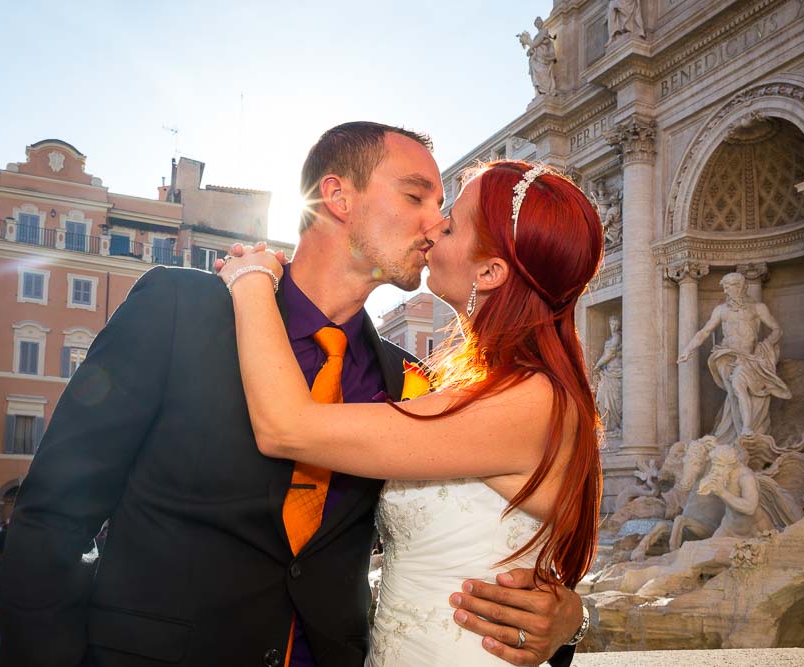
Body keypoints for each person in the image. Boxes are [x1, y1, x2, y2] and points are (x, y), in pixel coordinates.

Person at [0, 122, 583, 667]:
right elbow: (51, 520)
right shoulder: (180, 310)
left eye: (445, 210)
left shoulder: (413, 383)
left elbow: (500, 536)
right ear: (338, 197)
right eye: (417, 197)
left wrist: (571, 619)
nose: (435, 223)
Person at [215, 159, 603, 666]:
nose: (434, 226)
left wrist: (249, 280)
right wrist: (573, 615)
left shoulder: (531, 401)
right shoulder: (468, 389)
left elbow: (287, 427)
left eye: (453, 221)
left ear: (490, 271)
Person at [676, 271, 791, 442]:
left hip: (749, 357)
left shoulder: (757, 308)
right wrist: (688, 349)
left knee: (738, 386)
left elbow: (777, 329)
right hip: (726, 356)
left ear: (739, 287)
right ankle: (744, 429)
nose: (725, 291)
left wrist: (765, 346)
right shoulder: (721, 310)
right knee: (735, 387)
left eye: (728, 287)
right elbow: (705, 332)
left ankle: (736, 432)